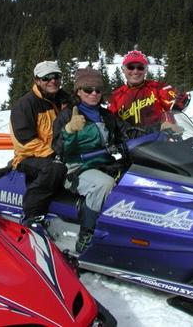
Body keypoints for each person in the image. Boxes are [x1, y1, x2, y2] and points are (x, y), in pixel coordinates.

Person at [52, 68, 124, 253]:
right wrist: (69, 130)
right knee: (104, 185)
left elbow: (125, 133)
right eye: (88, 89)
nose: (93, 94)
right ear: (78, 91)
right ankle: (87, 235)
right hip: (76, 167)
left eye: (98, 90)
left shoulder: (106, 115)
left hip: (104, 163)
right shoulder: (68, 115)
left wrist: (157, 130)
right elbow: (58, 147)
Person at [10, 60, 68, 230]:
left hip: (59, 152)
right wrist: (54, 153)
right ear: (36, 80)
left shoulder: (64, 100)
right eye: (46, 78)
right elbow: (24, 142)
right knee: (54, 168)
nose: (52, 81)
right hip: (28, 157)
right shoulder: (26, 104)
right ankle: (32, 215)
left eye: (56, 76)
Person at [107, 49, 190, 129]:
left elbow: (176, 100)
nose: (135, 71)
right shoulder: (116, 97)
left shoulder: (157, 88)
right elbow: (110, 123)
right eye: (131, 67)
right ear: (123, 69)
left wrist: (178, 101)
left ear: (145, 70)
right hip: (131, 142)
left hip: (161, 139)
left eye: (140, 67)